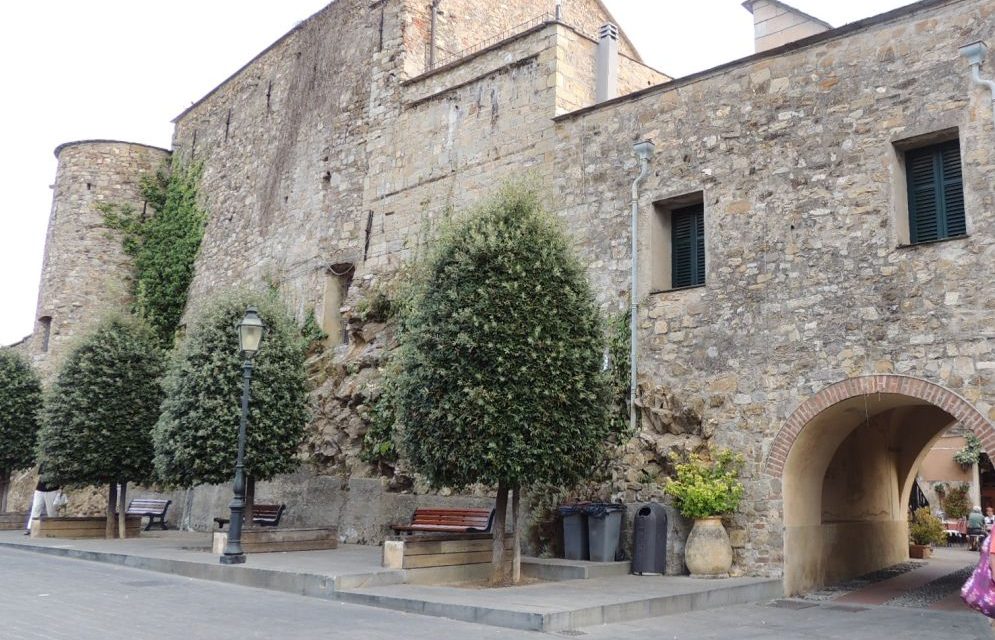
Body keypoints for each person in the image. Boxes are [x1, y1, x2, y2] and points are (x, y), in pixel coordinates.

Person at [24, 467, 61, 535]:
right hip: (40, 489)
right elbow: (41, 474)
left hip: (52, 490)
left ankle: (53, 527)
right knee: (35, 508)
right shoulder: (45, 462)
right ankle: (30, 528)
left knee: (52, 511)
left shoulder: (59, 464)